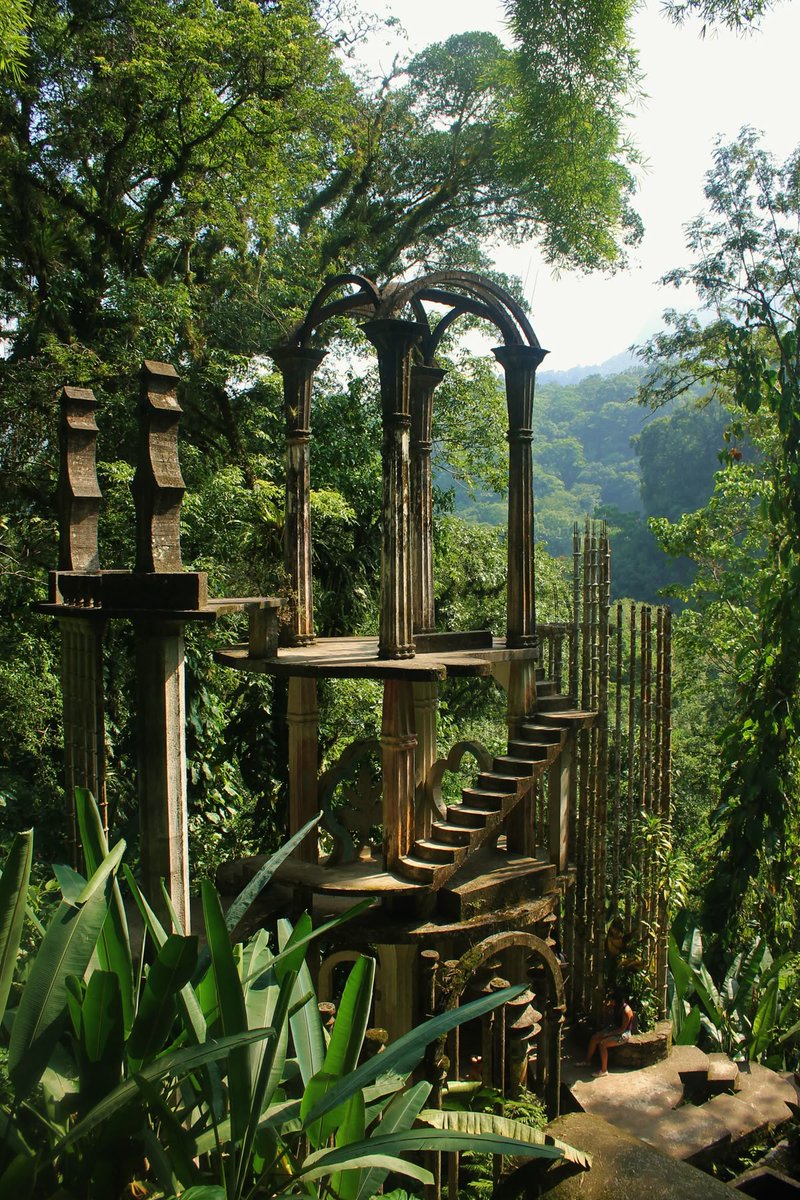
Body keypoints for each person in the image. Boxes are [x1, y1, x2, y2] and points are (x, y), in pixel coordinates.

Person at [576, 989, 634, 1076]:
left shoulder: (626, 1011)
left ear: (616, 1001)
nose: (610, 1002)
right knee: (594, 1038)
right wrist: (606, 1007)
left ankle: (604, 1070)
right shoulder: (615, 1007)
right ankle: (587, 1061)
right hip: (614, 1028)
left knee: (603, 1044)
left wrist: (608, 1035)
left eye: (611, 1000)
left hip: (624, 1033)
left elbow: (622, 1029)